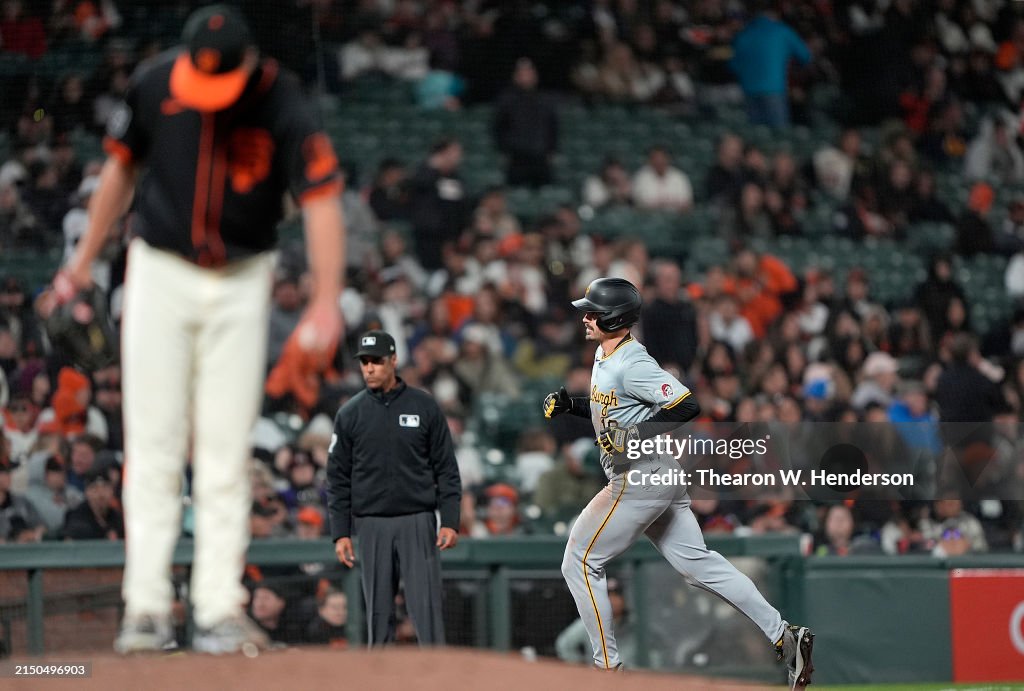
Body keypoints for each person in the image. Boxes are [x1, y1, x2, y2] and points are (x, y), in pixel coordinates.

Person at [50, 4, 345, 654]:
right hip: (158, 271)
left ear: (246, 65)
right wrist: (80, 264)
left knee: (222, 451)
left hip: (242, 278)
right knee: (152, 443)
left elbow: (321, 196)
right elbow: (120, 169)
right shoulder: (158, 82)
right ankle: (147, 609)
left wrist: (326, 300)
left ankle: (216, 607)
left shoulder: (279, 98)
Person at [543, 277, 814, 690]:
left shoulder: (632, 361)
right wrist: (573, 406)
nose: (586, 316)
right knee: (697, 563)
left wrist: (635, 437)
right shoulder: (605, 354)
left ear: (615, 317)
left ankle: (606, 673)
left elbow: (687, 404)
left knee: (579, 561)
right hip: (658, 474)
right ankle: (782, 633)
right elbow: (618, 412)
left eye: (593, 311)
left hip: (640, 476)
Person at [326, 330, 461, 646]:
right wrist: (340, 531)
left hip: (417, 519)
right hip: (371, 523)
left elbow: (446, 470)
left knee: (426, 611)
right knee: (378, 614)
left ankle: (438, 678)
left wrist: (451, 520)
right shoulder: (350, 413)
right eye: (364, 362)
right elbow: (337, 478)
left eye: (376, 361)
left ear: (393, 360)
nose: (369, 368)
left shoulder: (424, 406)